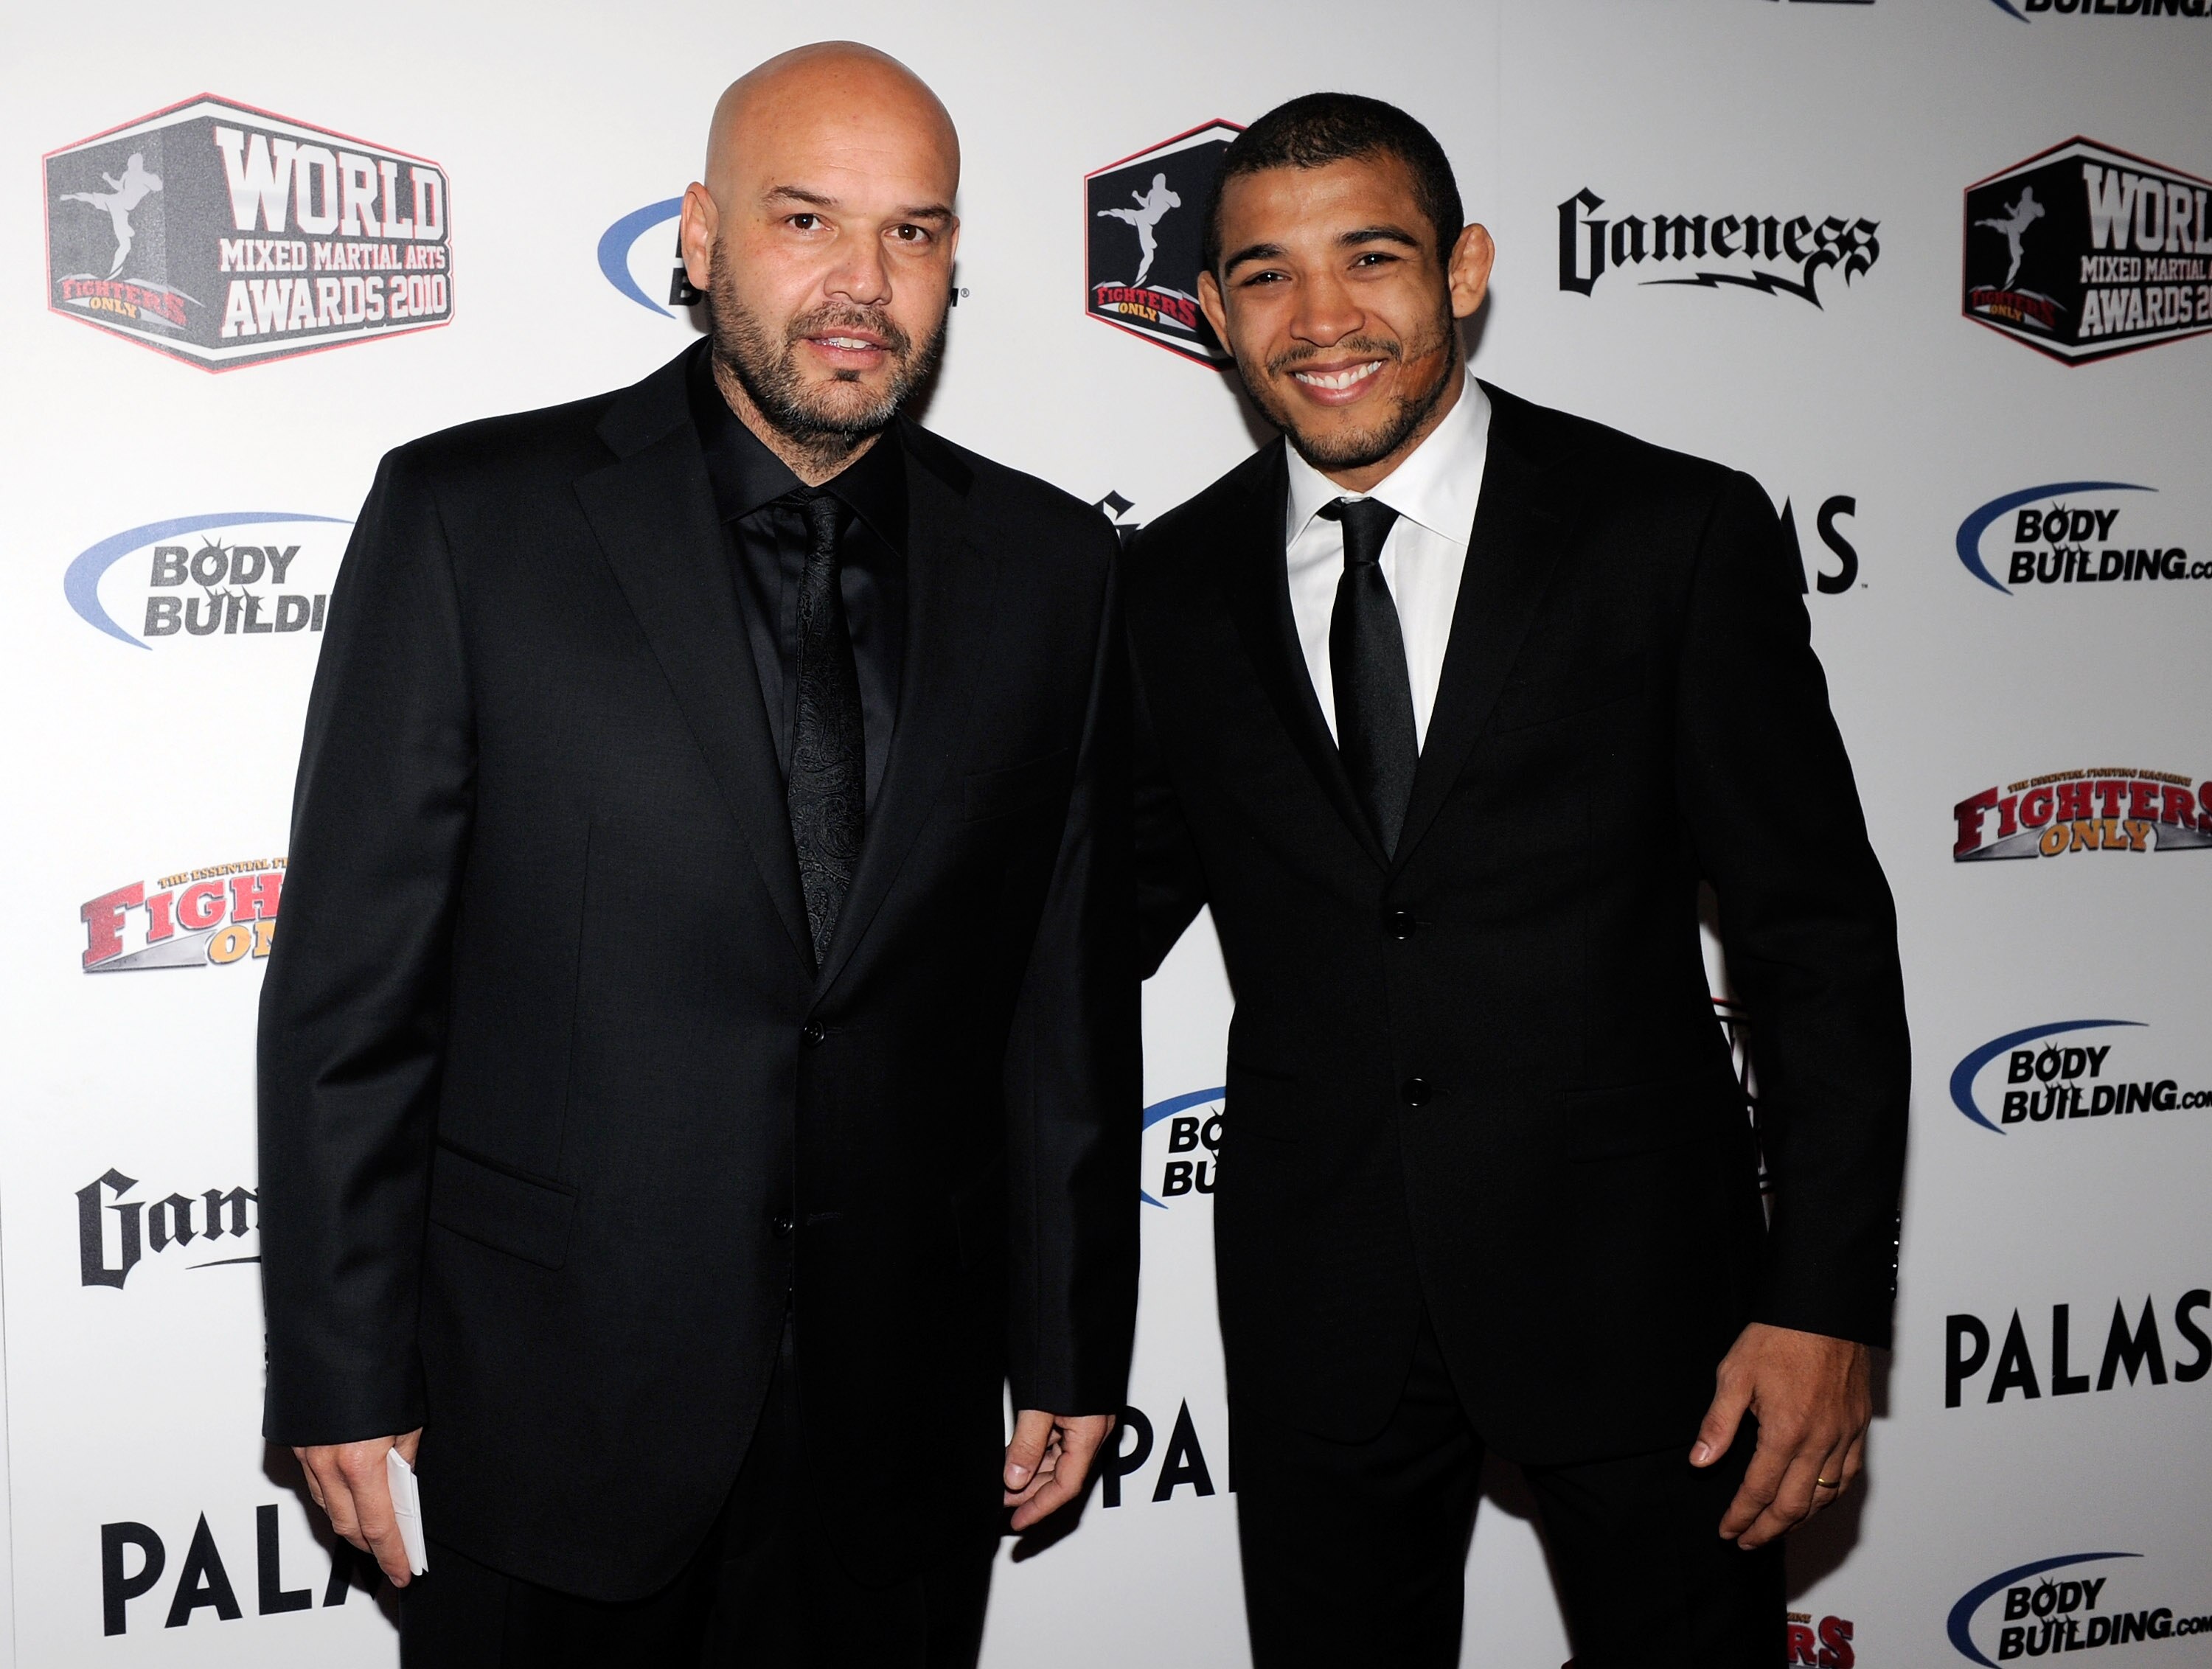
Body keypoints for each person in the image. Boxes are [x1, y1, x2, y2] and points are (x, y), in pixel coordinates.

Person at [258, 42, 1135, 1668]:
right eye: (808, 219)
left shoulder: (1053, 565)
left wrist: (1074, 1339)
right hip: (544, 1404)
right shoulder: (473, 520)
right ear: (699, 234)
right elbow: (351, 998)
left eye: (916, 233)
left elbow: (1060, 996)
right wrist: (338, 1365)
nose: (864, 283)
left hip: (901, 1421)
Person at [1126, 93, 1909, 1668]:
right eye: (1265, 274)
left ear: (1466, 268)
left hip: (1652, 1309)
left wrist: (1826, 1301)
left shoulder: (1670, 532)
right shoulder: (1165, 584)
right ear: (1210, 312)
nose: (1323, 317)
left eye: (1373, 256)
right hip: (1320, 1310)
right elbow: (1081, 929)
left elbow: (1813, 934)